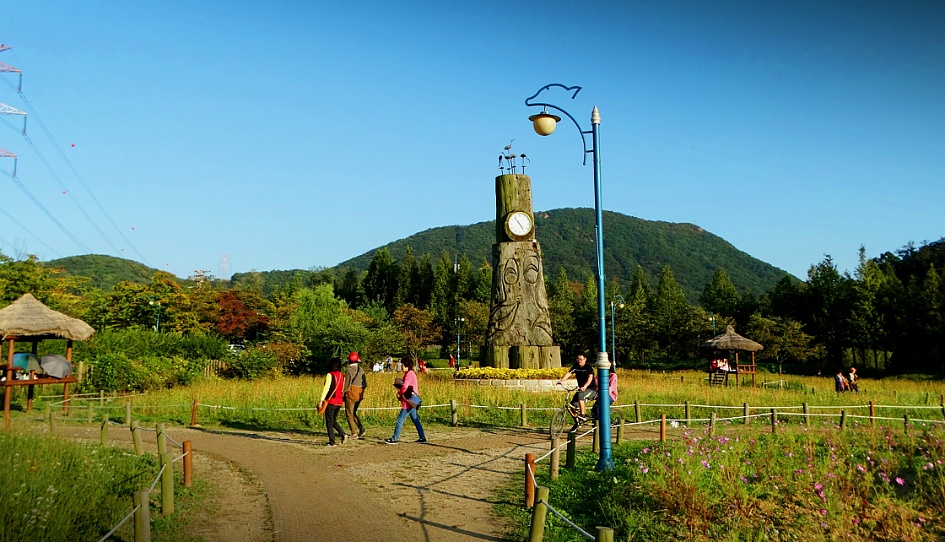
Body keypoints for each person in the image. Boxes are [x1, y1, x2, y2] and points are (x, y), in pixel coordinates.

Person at [385, 358, 427, 444]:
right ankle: (422, 437)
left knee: (400, 420)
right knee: (415, 420)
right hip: (412, 401)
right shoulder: (409, 373)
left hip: (408, 401)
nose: (402, 367)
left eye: (403, 365)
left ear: (407, 366)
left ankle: (394, 439)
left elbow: (405, 386)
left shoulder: (409, 374)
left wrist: (399, 394)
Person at [556, 353, 597, 420]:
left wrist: (585, 386)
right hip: (581, 389)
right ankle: (577, 422)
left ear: (585, 359)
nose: (579, 361)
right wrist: (561, 381)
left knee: (580, 395)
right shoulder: (576, 366)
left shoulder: (588, 367)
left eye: (581, 359)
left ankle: (583, 415)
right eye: (578, 359)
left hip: (591, 389)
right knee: (573, 405)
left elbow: (590, 377)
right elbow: (569, 373)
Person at [318, 359, 347, 446]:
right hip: (339, 401)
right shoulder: (342, 375)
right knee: (333, 420)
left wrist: (321, 400)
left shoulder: (330, 375)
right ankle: (343, 434)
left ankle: (332, 441)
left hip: (331, 401)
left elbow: (326, 388)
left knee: (329, 422)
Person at [343, 351, 367, 439]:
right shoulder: (361, 370)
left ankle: (354, 433)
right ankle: (361, 428)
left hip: (351, 393)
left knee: (349, 414)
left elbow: (346, 385)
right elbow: (365, 384)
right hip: (359, 394)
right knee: (353, 413)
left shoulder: (349, 370)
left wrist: (343, 395)